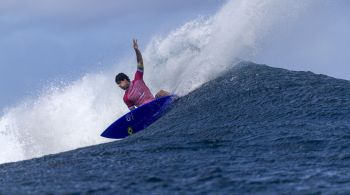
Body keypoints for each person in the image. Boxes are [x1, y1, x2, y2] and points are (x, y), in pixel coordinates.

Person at [115, 39, 169, 110]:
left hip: (154, 102)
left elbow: (140, 62)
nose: (119, 86)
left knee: (161, 93)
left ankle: (176, 99)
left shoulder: (138, 78)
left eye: (119, 83)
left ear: (124, 80)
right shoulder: (126, 98)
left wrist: (136, 50)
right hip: (145, 110)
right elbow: (133, 112)